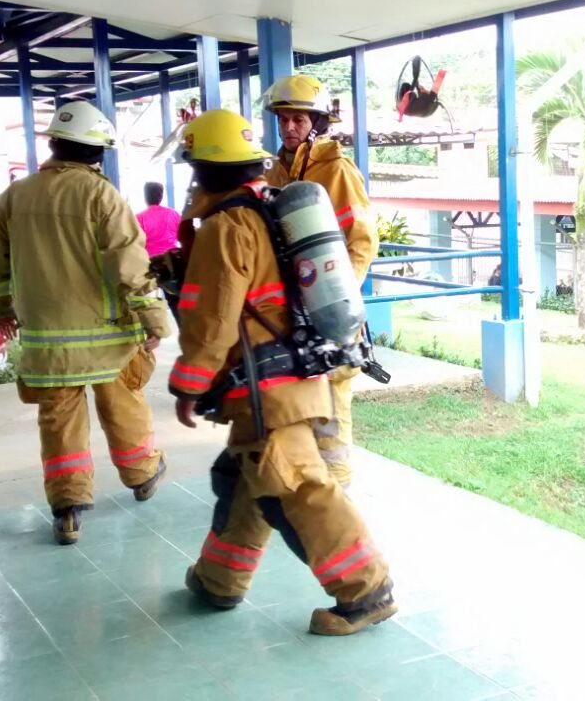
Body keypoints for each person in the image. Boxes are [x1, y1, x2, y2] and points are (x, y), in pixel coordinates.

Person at [168, 109, 397, 636]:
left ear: (202, 169)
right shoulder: (273, 207)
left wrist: (189, 384)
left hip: (267, 390)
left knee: (296, 489)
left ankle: (368, 591)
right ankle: (218, 579)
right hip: (296, 373)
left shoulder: (226, 227)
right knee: (244, 480)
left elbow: (211, 317)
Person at [0, 101, 171, 545]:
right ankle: (141, 475)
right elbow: (130, 266)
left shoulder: (15, 196)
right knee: (124, 407)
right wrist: (154, 318)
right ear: (99, 152)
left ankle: (68, 509)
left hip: (47, 343)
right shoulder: (102, 196)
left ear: (53, 144)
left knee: (59, 421)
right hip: (109, 336)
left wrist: (1, 308)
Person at [261, 74, 379, 489]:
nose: (290, 127)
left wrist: (338, 300)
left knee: (330, 412)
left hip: (328, 310)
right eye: (284, 119)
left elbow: (362, 240)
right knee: (297, 404)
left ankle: (336, 500)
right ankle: (304, 491)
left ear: (318, 122)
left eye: (299, 119)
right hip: (289, 311)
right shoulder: (276, 172)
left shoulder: (338, 171)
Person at [136, 181, 181, 258]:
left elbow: (137, 243)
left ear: (145, 196)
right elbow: (182, 236)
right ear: (161, 196)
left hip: (151, 261)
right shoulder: (174, 214)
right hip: (173, 259)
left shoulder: (139, 217)